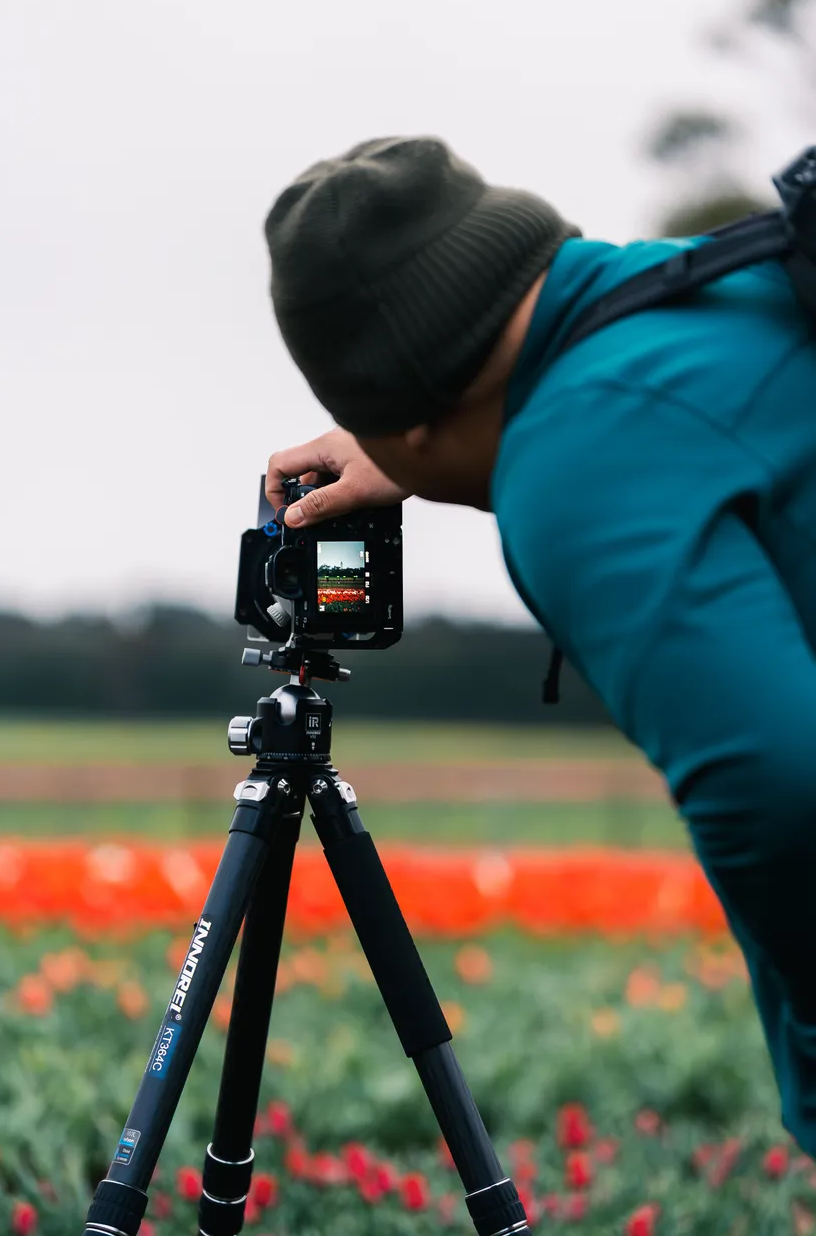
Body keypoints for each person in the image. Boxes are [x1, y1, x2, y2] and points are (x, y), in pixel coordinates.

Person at [261, 134, 816, 1157]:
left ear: (412, 426)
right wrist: (413, 440)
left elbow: (781, 797)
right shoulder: (706, 281)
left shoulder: (575, 460)